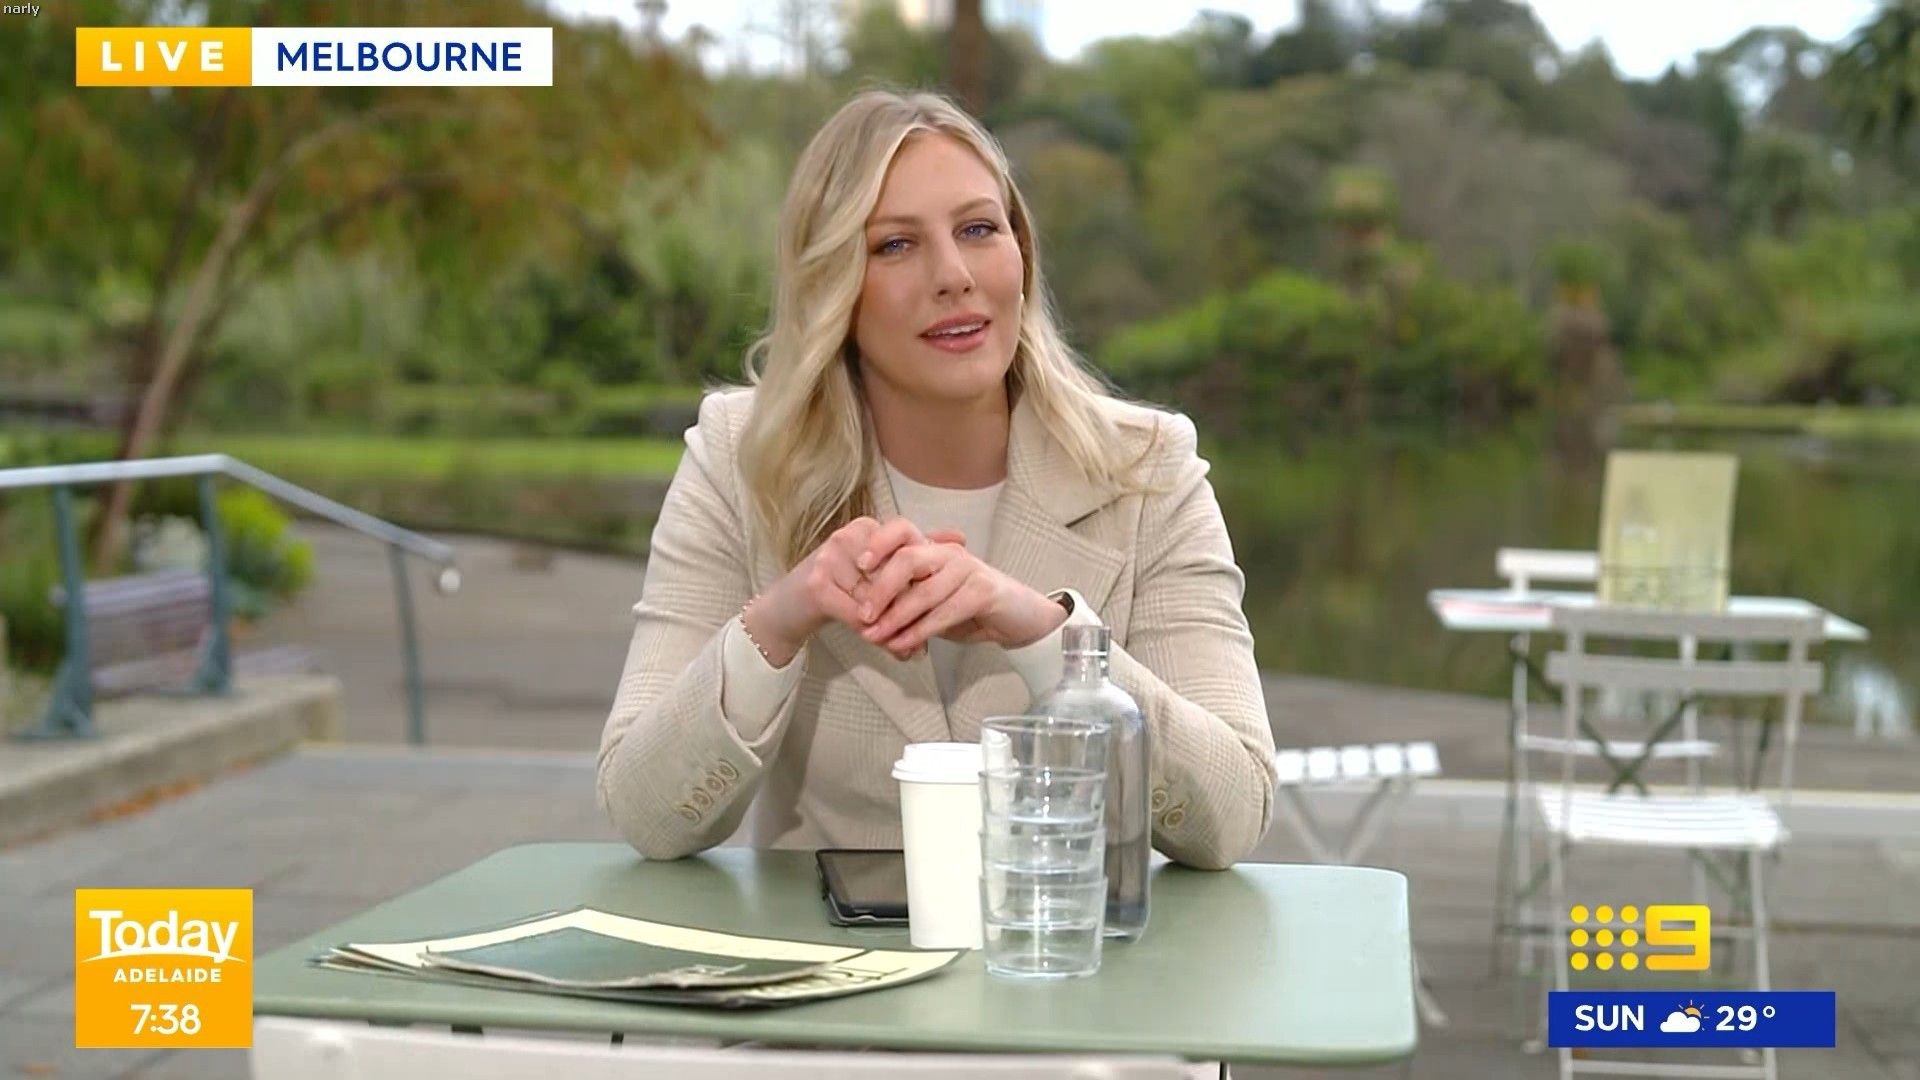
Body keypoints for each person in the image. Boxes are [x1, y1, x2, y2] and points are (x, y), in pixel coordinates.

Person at [596, 90, 1275, 871]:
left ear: (1021, 255)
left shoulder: (1148, 469)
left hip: (1063, 938)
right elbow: (646, 814)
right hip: (816, 946)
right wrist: (778, 622)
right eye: (894, 245)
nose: (953, 275)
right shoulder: (739, 457)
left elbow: (1233, 816)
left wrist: (1044, 636)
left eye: (978, 230)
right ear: (832, 286)